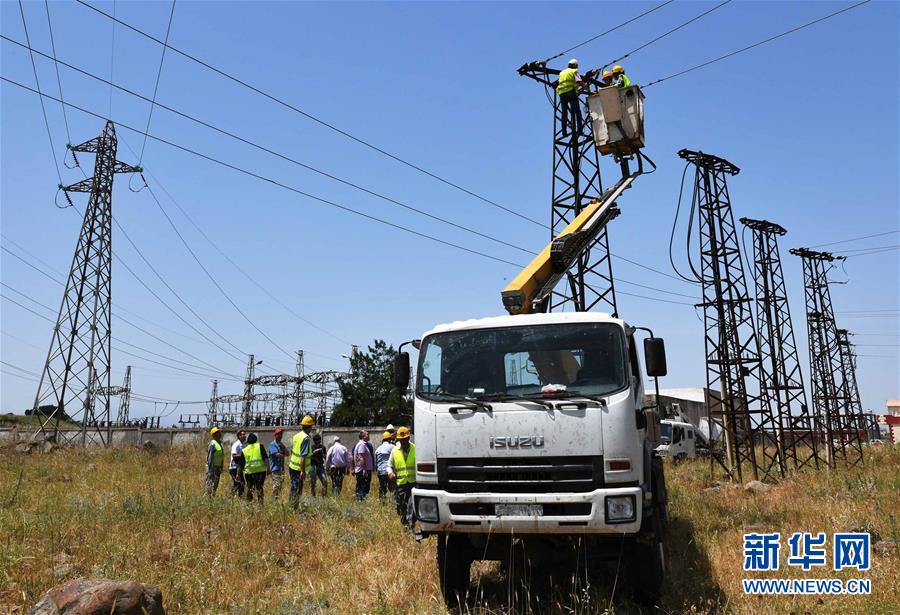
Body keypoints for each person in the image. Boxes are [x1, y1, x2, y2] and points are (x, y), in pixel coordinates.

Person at [388, 426, 416, 526]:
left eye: (405, 439)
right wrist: (390, 473)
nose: (403, 442)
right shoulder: (394, 450)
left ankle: (410, 525)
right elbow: (389, 466)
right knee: (401, 506)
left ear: (408, 438)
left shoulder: (415, 448)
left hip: (413, 483)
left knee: (411, 505)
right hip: (400, 483)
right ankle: (405, 523)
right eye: (401, 440)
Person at [288, 415, 315, 509]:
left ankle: (292, 506)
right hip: (298, 468)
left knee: (293, 488)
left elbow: (293, 451)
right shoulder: (306, 438)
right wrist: (303, 471)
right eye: (311, 426)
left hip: (292, 466)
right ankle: (293, 508)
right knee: (297, 489)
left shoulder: (297, 436)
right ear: (310, 426)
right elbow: (303, 456)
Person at [557, 58, 583, 137]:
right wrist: (588, 90)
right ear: (575, 65)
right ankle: (579, 130)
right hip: (570, 92)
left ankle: (564, 132)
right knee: (576, 111)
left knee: (564, 113)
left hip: (562, 94)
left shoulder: (562, 73)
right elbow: (579, 81)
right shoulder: (574, 71)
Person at [242, 432, 269, 504]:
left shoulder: (244, 450)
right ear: (256, 440)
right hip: (261, 472)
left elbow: (240, 464)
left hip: (249, 473)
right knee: (259, 487)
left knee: (250, 488)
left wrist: (238, 474)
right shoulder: (260, 446)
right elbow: (266, 458)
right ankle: (260, 504)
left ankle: (249, 504)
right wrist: (268, 469)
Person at [353, 430, 373, 501]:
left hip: (362, 470)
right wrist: (364, 469)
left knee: (362, 487)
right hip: (363, 470)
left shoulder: (363, 444)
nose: (368, 435)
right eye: (367, 434)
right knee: (363, 487)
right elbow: (361, 457)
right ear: (363, 436)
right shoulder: (362, 444)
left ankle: (360, 501)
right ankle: (361, 502)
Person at [374, 431, 396, 499]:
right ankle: (394, 501)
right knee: (392, 488)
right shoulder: (392, 447)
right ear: (389, 439)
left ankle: (382, 502)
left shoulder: (378, 449)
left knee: (382, 488)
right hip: (388, 471)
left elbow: (376, 462)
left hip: (380, 472)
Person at [205, 427, 225, 497]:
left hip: (218, 468)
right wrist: (211, 470)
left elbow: (221, 456)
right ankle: (207, 498)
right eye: (218, 432)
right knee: (209, 484)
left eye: (219, 432)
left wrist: (221, 467)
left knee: (215, 484)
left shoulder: (220, 444)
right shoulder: (213, 444)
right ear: (214, 435)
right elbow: (210, 457)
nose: (220, 433)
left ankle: (212, 497)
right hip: (212, 468)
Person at [268, 428, 287, 499]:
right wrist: (283, 454)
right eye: (278, 434)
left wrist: (283, 447)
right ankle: (272, 500)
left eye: (281, 434)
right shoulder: (272, 445)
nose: (280, 436)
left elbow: (288, 453)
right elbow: (277, 454)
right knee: (276, 485)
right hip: (275, 468)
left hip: (281, 468)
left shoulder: (281, 444)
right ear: (275, 435)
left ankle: (276, 499)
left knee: (280, 486)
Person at [229, 430, 247, 497]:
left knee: (239, 484)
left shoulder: (242, 445)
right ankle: (234, 497)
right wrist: (243, 456)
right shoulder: (236, 445)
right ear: (239, 436)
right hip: (234, 467)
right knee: (239, 483)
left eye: (245, 434)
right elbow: (234, 455)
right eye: (243, 434)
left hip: (239, 468)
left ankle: (237, 497)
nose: (245, 436)